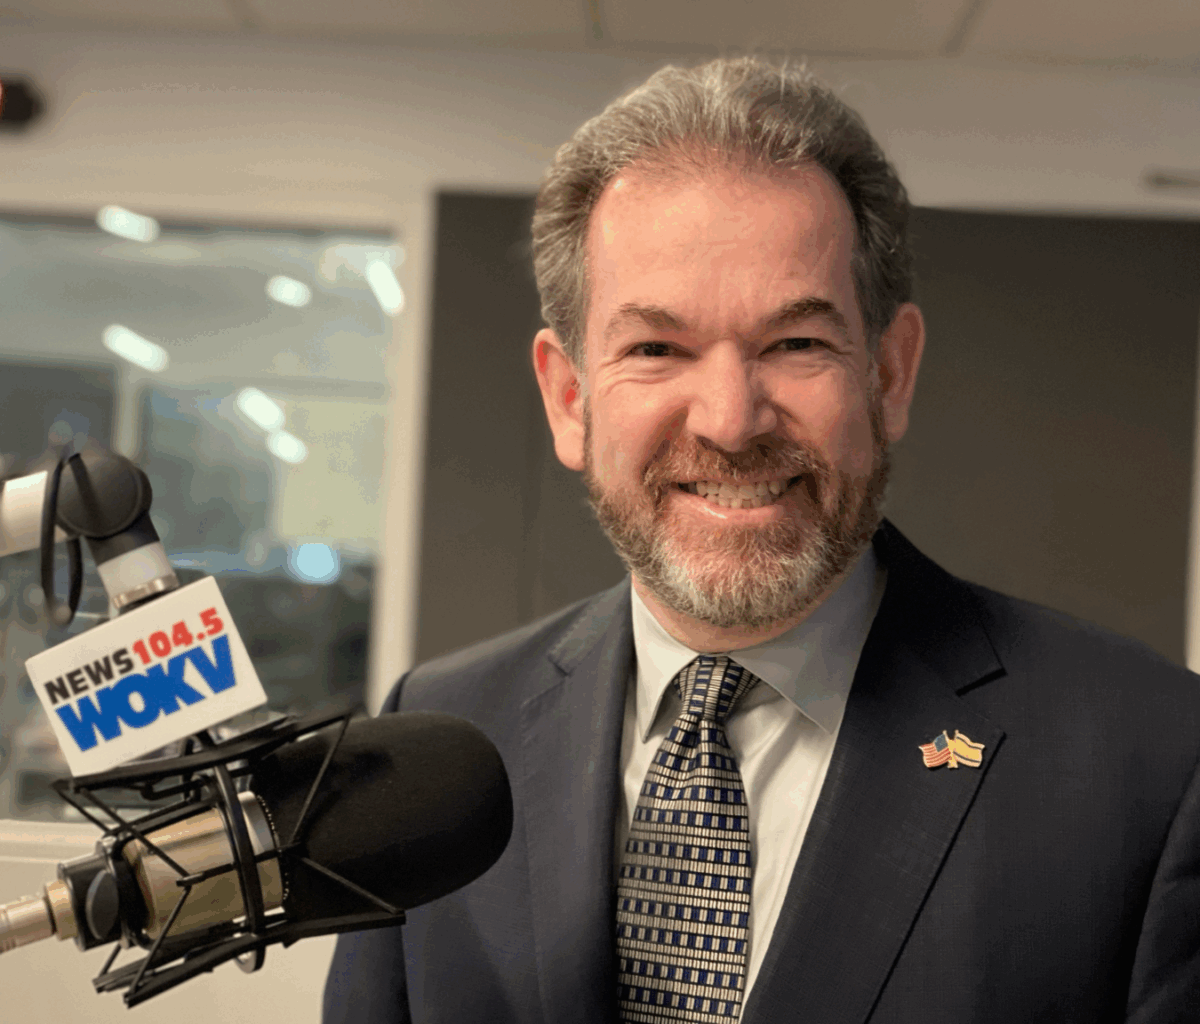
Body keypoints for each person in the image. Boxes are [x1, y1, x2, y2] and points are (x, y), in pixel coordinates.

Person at [323, 57, 1200, 1023]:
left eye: (796, 344)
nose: (731, 422)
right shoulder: (441, 743)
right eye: (656, 349)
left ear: (890, 375)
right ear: (569, 398)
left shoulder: (1152, 762)